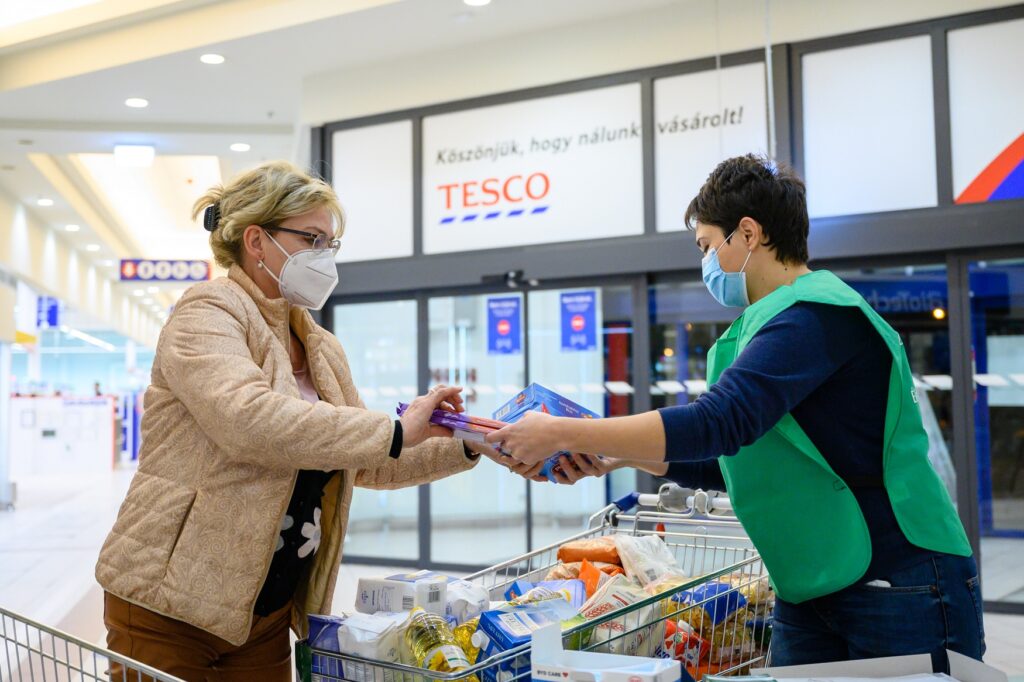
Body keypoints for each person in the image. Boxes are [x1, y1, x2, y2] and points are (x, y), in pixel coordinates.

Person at [486, 155, 984, 669]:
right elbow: (740, 459)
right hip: (811, 581)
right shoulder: (767, 327)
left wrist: (564, 431)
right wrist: (615, 456)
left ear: (748, 234)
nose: (704, 263)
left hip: (896, 577)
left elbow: (717, 422)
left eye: (707, 246)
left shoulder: (816, 316)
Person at [96, 161, 500, 681]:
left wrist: (469, 444)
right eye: (311, 238)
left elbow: (369, 461)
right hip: (167, 601)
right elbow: (249, 421)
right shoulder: (208, 312)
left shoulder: (320, 346)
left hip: (261, 609)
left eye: (330, 244)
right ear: (257, 240)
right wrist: (395, 430)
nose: (324, 257)